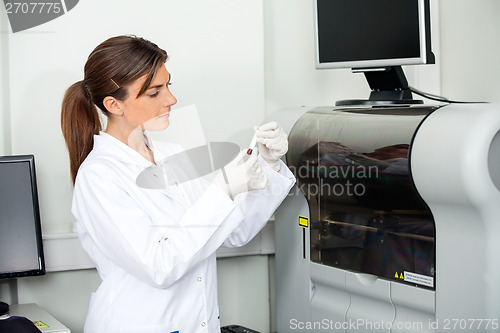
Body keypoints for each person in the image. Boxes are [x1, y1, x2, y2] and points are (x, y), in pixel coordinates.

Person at [60, 35, 295, 333]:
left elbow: (235, 233)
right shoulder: (98, 177)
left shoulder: (173, 155)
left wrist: (269, 163)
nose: (171, 99)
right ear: (114, 104)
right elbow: (159, 267)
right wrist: (221, 190)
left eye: (168, 85)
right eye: (155, 92)